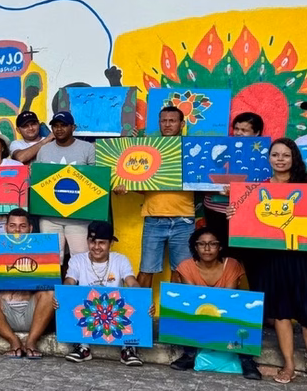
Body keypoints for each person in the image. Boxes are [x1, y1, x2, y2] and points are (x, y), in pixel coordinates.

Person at [229, 138, 307, 388]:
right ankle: (289, 365)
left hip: (304, 260)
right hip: (271, 259)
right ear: (269, 158)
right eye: (275, 155)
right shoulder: (257, 189)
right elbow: (248, 221)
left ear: (294, 158)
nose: (280, 159)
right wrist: (235, 213)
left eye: (286, 155)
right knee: (281, 312)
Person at [114, 106, 194, 288]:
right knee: (146, 269)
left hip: (184, 220)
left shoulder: (191, 149)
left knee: (181, 271)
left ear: (182, 124)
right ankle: (140, 314)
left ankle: (173, 315)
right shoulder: (146, 148)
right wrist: (124, 185)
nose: (167, 124)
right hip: (153, 218)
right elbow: (140, 182)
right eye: (163, 121)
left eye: (172, 121)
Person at [167, 228, 263, 380]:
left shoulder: (231, 264)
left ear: (220, 247)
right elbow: (193, 298)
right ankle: (189, 355)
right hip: (198, 314)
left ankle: (246, 360)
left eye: (212, 244)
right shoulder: (186, 266)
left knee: (243, 312)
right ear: (195, 247)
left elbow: (228, 298)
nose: (207, 248)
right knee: (184, 311)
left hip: (225, 314)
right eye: (202, 244)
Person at [59, 221, 146, 366]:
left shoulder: (120, 260)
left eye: (102, 243)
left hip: (115, 311)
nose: (96, 247)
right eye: (92, 242)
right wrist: (62, 294)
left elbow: (132, 282)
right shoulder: (77, 260)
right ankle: (83, 347)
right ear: (87, 241)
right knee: (68, 298)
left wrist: (142, 300)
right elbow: (69, 281)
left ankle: (128, 348)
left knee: (135, 299)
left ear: (111, 243)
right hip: (88, 311)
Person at [0, 209, 56, 359]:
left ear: (30, 229)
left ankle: (31, 341)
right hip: (3, 316)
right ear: (6, 227)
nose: (17, 230)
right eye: (12, 226)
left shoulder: (42, 250)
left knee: (50, 293)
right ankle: (13, 341)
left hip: (33, 316)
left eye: (22, 226)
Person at [34, 111, 96, 255]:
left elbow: (96, 179)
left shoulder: (87, 148)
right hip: (49, 217)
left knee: (80, 259)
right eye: (55, 126)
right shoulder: (44, 149)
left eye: (64, 125)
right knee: (51, 260)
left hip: (79, 217)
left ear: (73, 128)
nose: (59, 129)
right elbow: (39, 180)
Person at [203, 112, 263, 242]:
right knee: (218, 248)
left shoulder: (263, 154)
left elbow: (263, 185)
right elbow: (203, 178)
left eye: (244, 130)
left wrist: (235, 192)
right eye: (236, 129)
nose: (238, 133)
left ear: (257, 133)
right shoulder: (219, 147)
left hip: (245, 211)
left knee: (241, 250)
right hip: (215, 210)